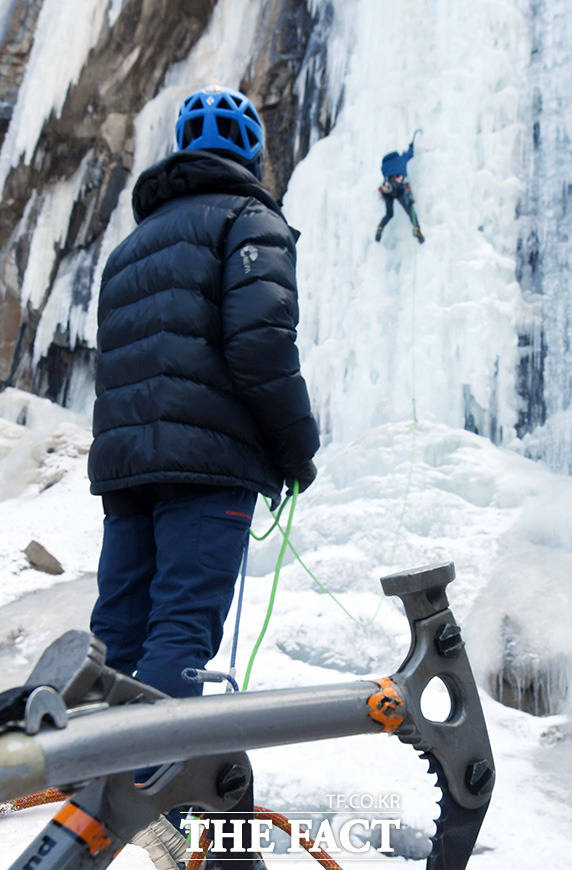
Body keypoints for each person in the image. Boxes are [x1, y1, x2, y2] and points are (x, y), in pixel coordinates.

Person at [87, 84, 319, 867]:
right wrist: (296, 451)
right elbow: (260, 348)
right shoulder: (249, 221)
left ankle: (95, 805)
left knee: (118, 640)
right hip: (206, 466)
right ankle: (175, 822)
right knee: (180, 636)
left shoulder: (132, 245)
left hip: (127, 471)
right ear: (251, 154)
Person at [375, 141, 425, 244]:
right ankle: (416, 229)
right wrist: (411, 147)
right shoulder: (400, 158)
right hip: (400, 187)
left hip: (388, 189)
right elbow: (409, 154)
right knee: (410, 209)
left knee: (389, 214)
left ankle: (380, 227)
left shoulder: (383, 166)